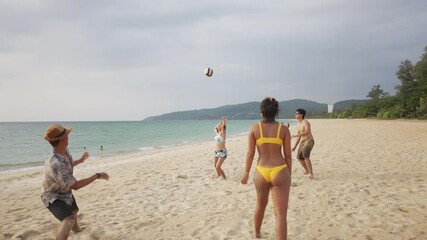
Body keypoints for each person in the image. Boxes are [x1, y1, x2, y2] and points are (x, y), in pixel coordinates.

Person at [41, 124, 110, 240]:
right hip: (53, 196)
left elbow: (68, 164)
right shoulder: (55, 164)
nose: (68, 136)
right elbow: (76, 185)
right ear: (62, 139)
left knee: (74, 210)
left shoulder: (63, 150)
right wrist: (96, 175)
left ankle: (76, 229)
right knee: (68, 220)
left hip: (64, 190)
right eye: (66, 135)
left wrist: (80, 161)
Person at [241, 97, 292, 239]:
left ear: (261, 112)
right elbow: (288, 155)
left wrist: (246, 173)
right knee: (280, 214)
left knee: (260, 205)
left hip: (261, 171)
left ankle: (257, 234)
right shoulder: (284, 129)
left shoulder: (254, 128)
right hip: (280, 169)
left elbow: (250, 154)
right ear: (276, 112)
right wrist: (289, 172)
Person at [291, 109, 315, 179]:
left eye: (297, 113)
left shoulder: (306, 122)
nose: (295, 114)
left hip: (309, 140)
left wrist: (295, 135)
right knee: (299, 157)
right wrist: (294, 146)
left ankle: (311, 174)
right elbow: (299, 137)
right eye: (295, 113)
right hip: (303, 142)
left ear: (301, 115)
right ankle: (307, 170)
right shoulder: (298, 125)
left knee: (305, 156)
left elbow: (307, 132)